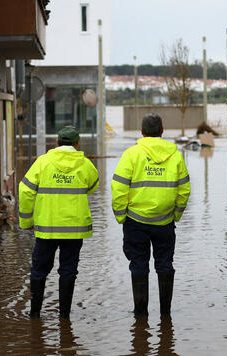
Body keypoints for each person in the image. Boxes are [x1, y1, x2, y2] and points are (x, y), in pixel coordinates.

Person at [111, 113, 191, 317]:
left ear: (142, 132)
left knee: (138, 264)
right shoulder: (175, 155)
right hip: (164, 222)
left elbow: (119, 188)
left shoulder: (132, 154)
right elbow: (184, 190)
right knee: (165, 264)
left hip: (136, 221)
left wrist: (122, 216)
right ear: (162, 131)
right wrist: (176, 214)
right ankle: (166, 314)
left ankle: (140, 315)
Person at [19, 125, 99, 319]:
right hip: (73, 229)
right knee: (68, 271)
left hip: (47, 228)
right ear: (77, 144)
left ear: (56, 143)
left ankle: (35, 314)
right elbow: (92, 187)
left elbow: (25, 190)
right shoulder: (86, 164)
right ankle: (64, 316)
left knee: (39, 270)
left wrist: (26, 221)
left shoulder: (43, 162)